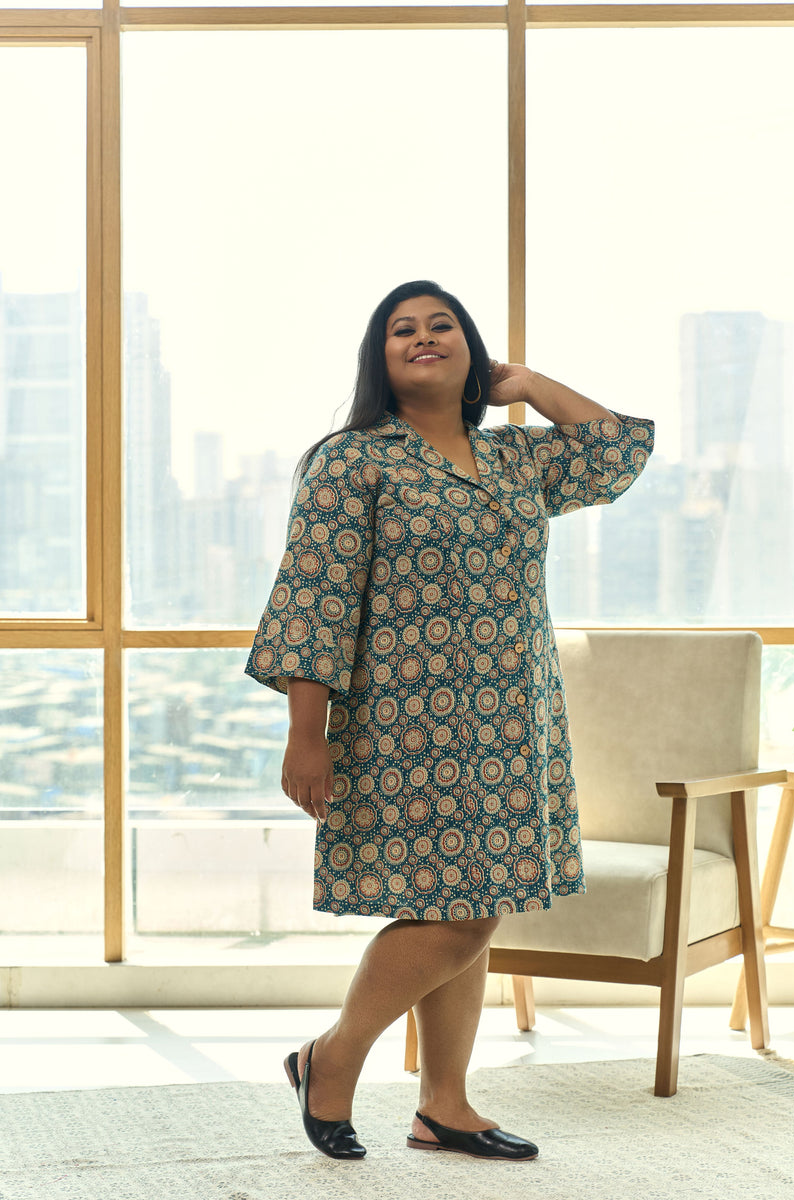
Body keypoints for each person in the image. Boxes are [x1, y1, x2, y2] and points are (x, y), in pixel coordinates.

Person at [245, 280, 654, 1161]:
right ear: (379, 356)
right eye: (403, 329)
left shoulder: (513, 458)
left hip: (514, 722)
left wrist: (528, 384)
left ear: (471, 349)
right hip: (406, 729)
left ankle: (444, 1105)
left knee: (475, 901)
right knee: (460, 914)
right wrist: (306, 736)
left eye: (442, 326)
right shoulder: (352, 462)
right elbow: (314, 602)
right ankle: (332, 1058)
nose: (423, 337)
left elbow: (618, 452)